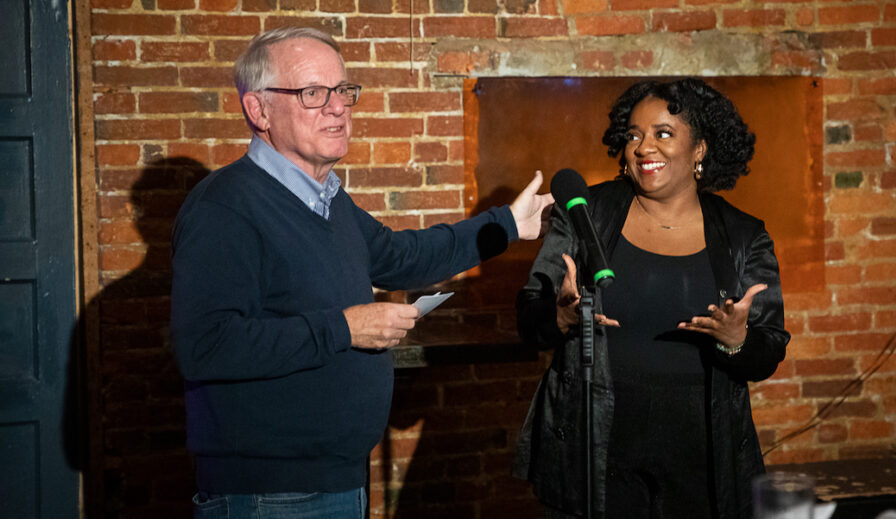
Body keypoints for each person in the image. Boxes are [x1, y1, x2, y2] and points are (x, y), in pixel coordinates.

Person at [170, 27, 552, 518]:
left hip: (337, 481)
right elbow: (205, 346)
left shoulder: (327, 200)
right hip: (270, 496)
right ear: (258, 110)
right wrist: (345, 327)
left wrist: (506, 226)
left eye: (343, 91)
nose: (337, 108)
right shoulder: (224, 207)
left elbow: (402, 257)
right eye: (313, 93)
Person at [512, 78, 790, 519]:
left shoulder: (742, 235)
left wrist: (737, 339)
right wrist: (562, 316)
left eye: (663, 133)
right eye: (634, 135)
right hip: (597, 454)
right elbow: (530, 319)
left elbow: (768, 350)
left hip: (701, 462)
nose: (644, 147)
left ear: (699, 149)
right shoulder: (587, 212)